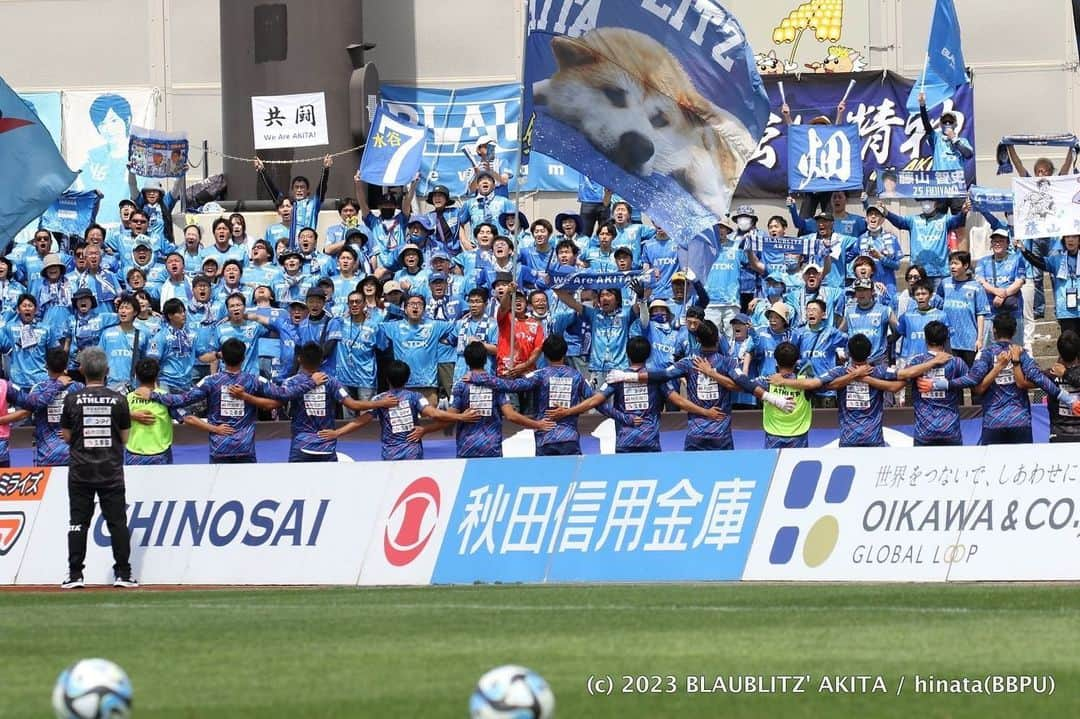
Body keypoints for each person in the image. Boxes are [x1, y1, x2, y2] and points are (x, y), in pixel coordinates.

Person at [142, 338, 318, 463]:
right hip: (245, 447)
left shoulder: (211, 381)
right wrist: (311, 382)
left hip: (220, 448)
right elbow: (284, 394)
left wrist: (155, 395)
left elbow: (183, 399)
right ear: (243, 358)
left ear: (223, 358)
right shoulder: (253, 380)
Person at [616, 320, 783, 450]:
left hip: (696, 434)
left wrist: (628, 375)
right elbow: (743, 383)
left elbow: (662, 374)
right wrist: (772, 398)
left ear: (697, 340)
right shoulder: (727, 363)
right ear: (718, 339)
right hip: (721, 434)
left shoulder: (689, 362)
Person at [920, 315, 1080, 445]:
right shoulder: (1022, 353)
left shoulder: (986, 354)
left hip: (993, 422)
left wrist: (938, 383)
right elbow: (1039, 379)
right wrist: (1069, 399)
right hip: (1020, 421)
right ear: (1015, 331)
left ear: (994, 331)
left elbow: (971, 379)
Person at [229, 342, 396, 462]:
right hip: (327, 445)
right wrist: (380, 403)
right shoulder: (330, 381)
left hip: (301, 446)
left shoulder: (291, 382)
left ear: (299, 359)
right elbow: (354, 405)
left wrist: (246, 397)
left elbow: (273, 404)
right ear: (322, 360)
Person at [59, 347, 135, 589]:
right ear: (108, 371)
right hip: (111, 471)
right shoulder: (119, 399)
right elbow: (124, 438)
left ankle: (75, 575)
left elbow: (66, 436)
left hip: (80, 471)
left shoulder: (71, 399)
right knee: (117, 523)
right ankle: (123, 574)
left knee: (78, 523)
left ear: (80, 371)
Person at [771, 334, 906, 448]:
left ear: (848, 353)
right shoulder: (877, 371)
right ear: (870, 352)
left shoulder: (843, 372)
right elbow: (902, 381)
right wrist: (856, 376)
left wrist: (866, 380)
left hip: (855, 439)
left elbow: (816, 384)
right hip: (864, 439)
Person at [329, 359, 478, 461]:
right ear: (407, 379)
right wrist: (460, 418)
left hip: (390, 454)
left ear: (387, 379)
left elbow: (361, 421)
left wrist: (337, 432)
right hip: (413, 452)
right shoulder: (415, 397)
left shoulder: (379, 399)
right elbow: (434, 413)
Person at [430, 341, 554, 458]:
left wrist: (426, 430)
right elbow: (511, 415)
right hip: (491, 447)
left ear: (466, 361)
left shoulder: (460, 385)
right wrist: (537, 424)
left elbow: (449, 418)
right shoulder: (496, 385)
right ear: (485, 360)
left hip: (466, 446)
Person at [546, 336, 663, 454]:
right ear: (649, 355)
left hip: (625, 440)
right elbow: (677, 400)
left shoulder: (616, 377)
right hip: (650, 439)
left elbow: (595, 401)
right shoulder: (657, 378)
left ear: (627, 354)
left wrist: (568, 411)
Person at [901, 321, 970, 446]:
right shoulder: (957, 362)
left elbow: (901, 376)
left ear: (925, 339)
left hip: (924, 432)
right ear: (946, 340)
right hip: (950, 430)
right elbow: (972, 382)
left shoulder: (916, 362)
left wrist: (942, 384)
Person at [124, 357, 185, 464]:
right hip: (159, 456)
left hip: (134, 456)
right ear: (157, 375)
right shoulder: (167, 398)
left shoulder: (127, 399)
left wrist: (130, 415)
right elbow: (186, 418)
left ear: (136, 376)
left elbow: (112, 416)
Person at [1046, 331, 1080, 443]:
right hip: (1059, 435)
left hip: (1058, 435)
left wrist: (1017, 362)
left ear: (1059, 352)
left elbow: (1023, 382)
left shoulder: (1050, 375)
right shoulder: (1051, 374)